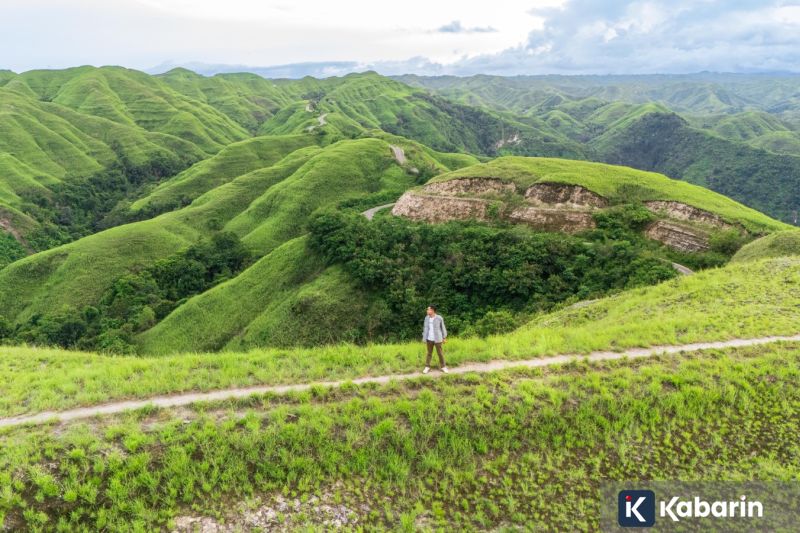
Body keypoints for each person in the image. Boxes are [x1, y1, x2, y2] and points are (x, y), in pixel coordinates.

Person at [422, 305, 448, 374]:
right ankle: (427, 367)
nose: (427, 311)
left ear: (432, 310)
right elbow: (425, 328)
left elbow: (443, 328)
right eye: (427, 310)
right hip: (429, 339)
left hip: (438, 339)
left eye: (428, 310)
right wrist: (424, 338)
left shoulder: (439, 318)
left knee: (440, 353)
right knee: (429, 353)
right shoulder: (426, 318)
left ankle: (443, 367)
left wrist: (444, 337)